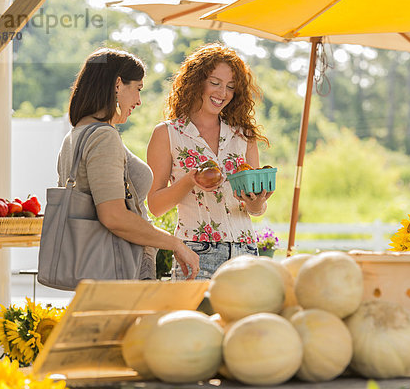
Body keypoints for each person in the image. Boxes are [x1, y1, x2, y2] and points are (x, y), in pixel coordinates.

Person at [57, 48, 200, 280]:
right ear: (117, 84)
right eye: (138, 89)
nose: (139, 101)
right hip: (118, 273)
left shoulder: (76, 135)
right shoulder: (103, 137)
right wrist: (176, 244)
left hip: (93, 271)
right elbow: (114, 216)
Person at [147, 43, 273, 281]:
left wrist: (257, 204)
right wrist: (190, 180)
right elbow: (155, 205)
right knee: (195, 318)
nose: (222, 93)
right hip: (195, 253)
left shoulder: (244, 136)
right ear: (196, 82)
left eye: (230, 87)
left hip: (245, 253)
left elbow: (255, 209)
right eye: (215, 83)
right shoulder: (168, 133)